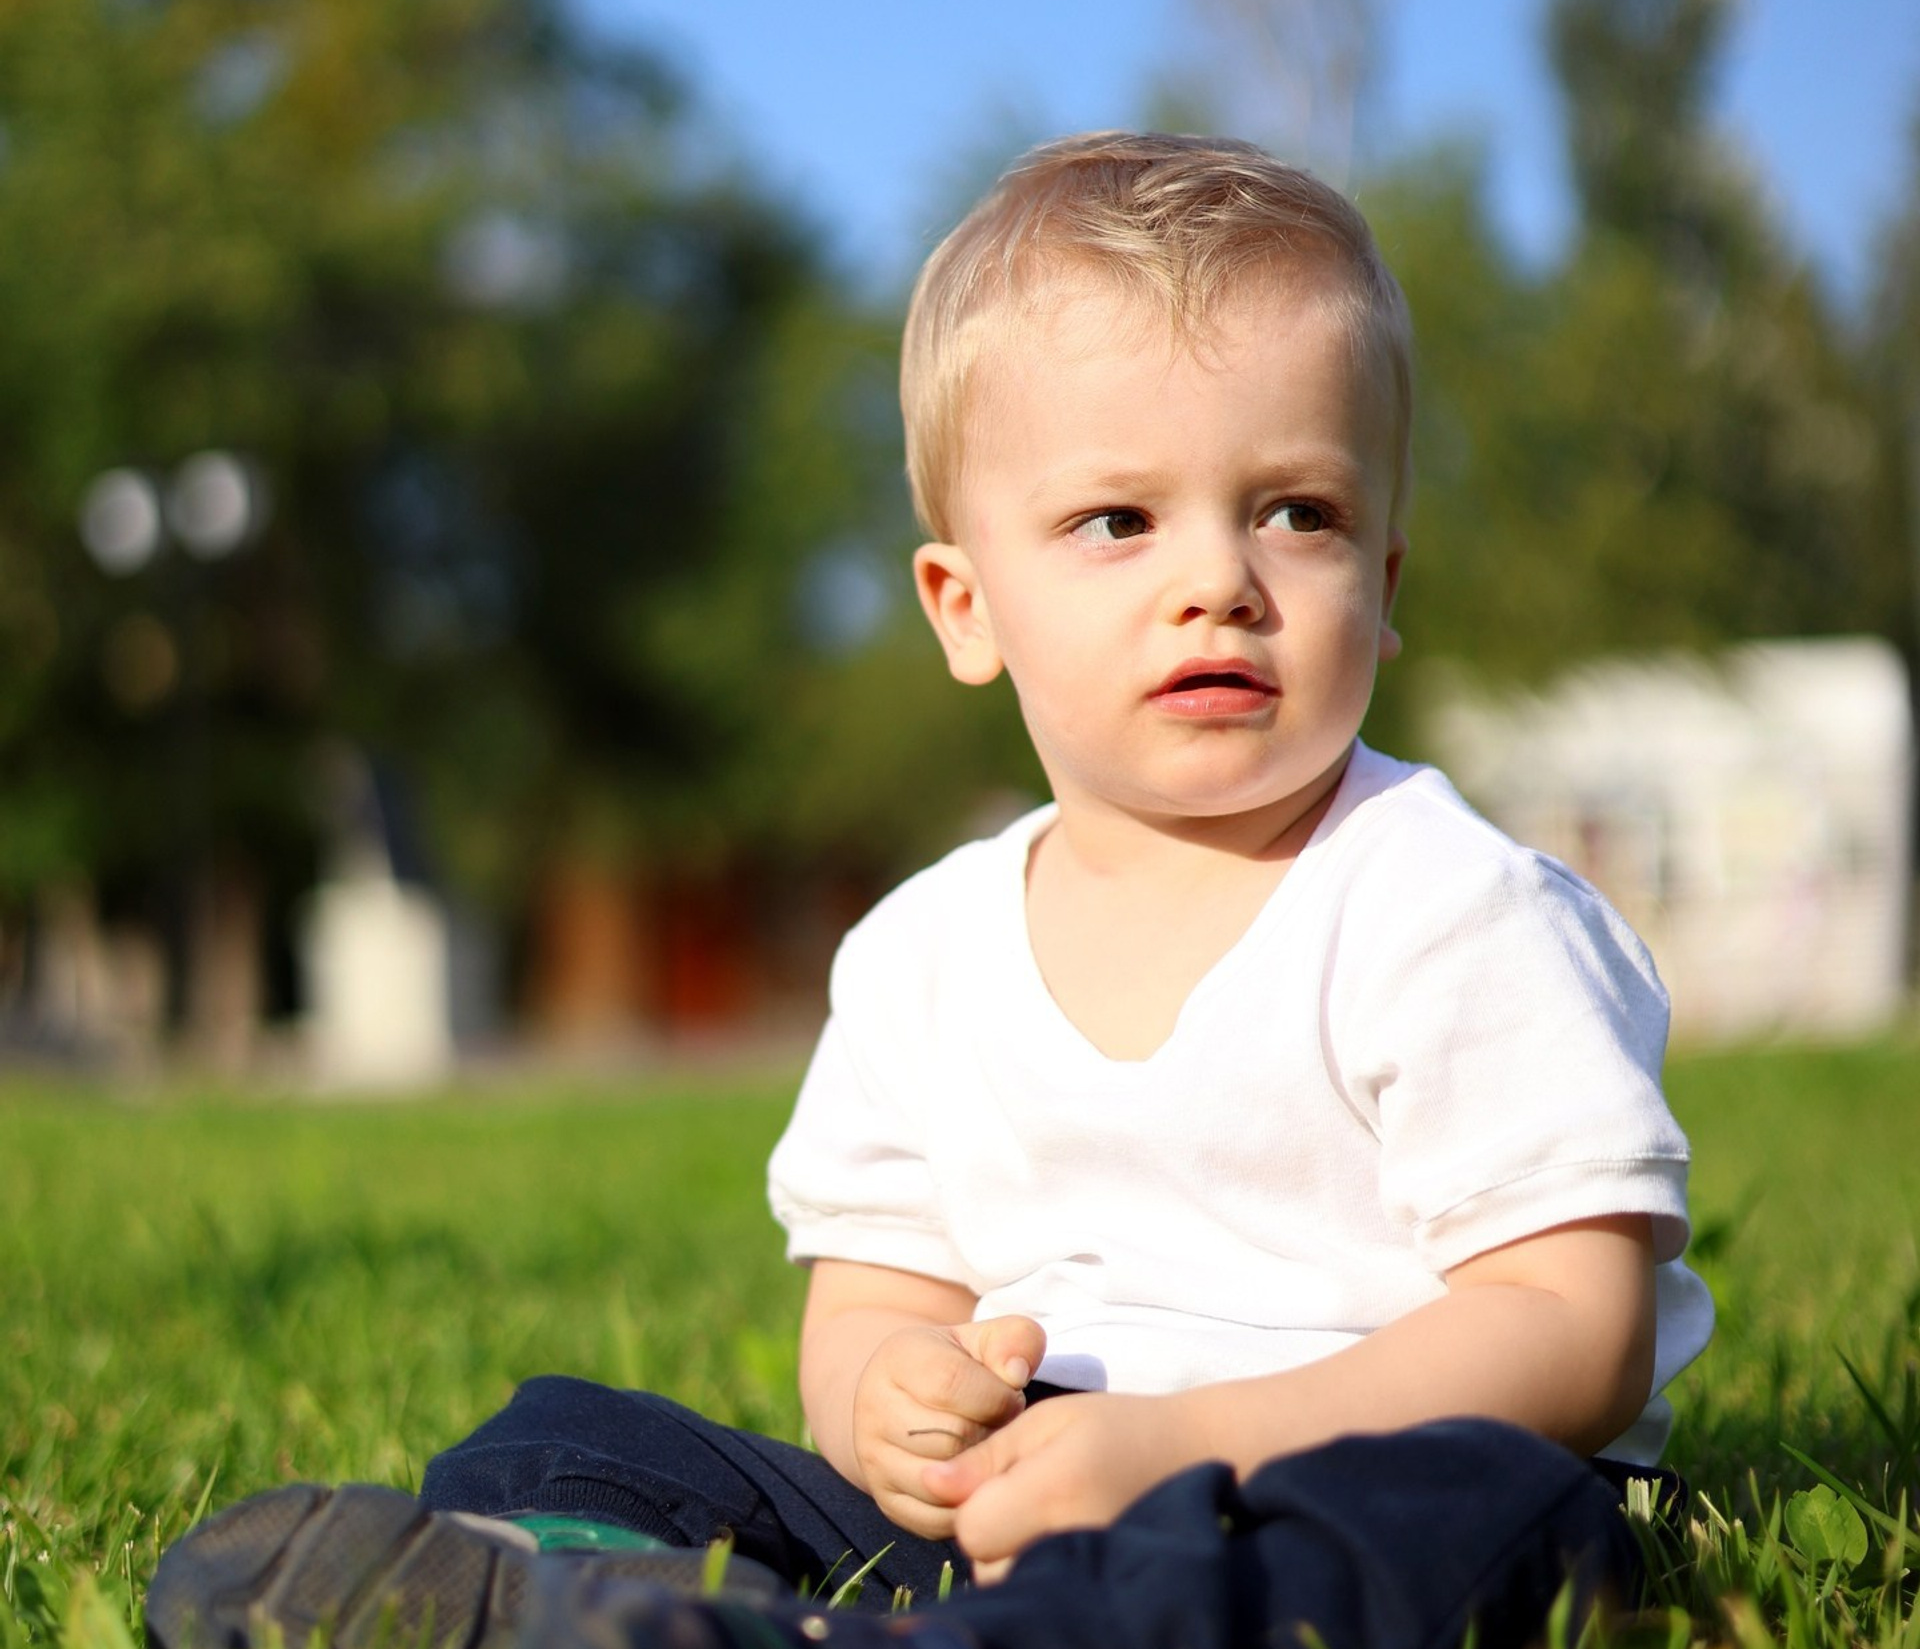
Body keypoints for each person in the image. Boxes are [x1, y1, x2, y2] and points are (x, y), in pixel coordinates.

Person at [147, 133, 1713, 1649]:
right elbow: (870, 1306)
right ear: (968, 606)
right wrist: (891, 1406)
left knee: (1495, 1514)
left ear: (1379, 591)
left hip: (1329, 1467)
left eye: (1298, 511)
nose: (1221, 578)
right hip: (1018, 1493)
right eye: (1120, 519)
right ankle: (559, 1587)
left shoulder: (1448, 905)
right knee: (572, 1434)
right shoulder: (924, 954)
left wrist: (1193, 1446)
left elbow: (1571, 1332)